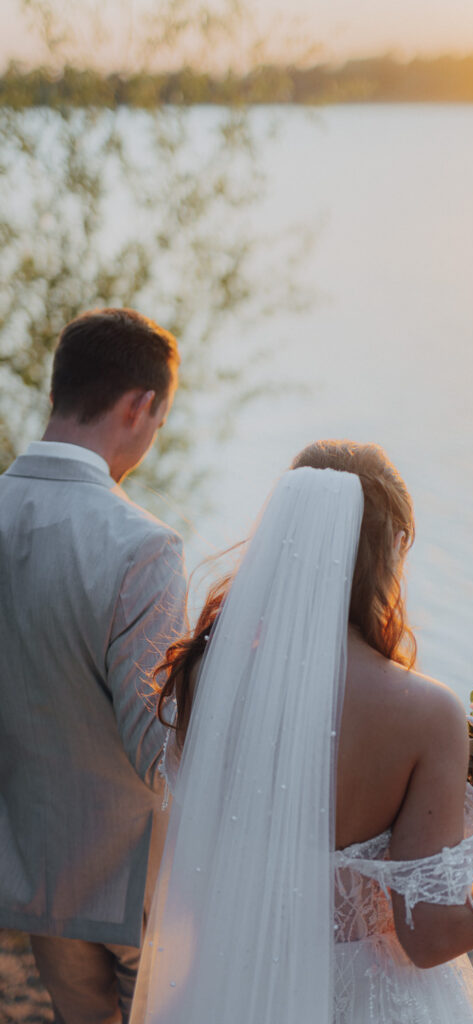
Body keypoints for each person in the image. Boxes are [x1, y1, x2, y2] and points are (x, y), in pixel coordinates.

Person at [131, 440, 473, 1023]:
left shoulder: (206, 676)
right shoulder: (425, 711)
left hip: (231, 982)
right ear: (393, 550)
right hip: (366, 998)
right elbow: (427, 939)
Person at [0, 308, 188, 1024]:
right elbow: (159, 753)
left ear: (57, 392)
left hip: (31, 867)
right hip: (132, 885)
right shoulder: (142, 547)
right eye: (159, 422)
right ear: (139, 406)